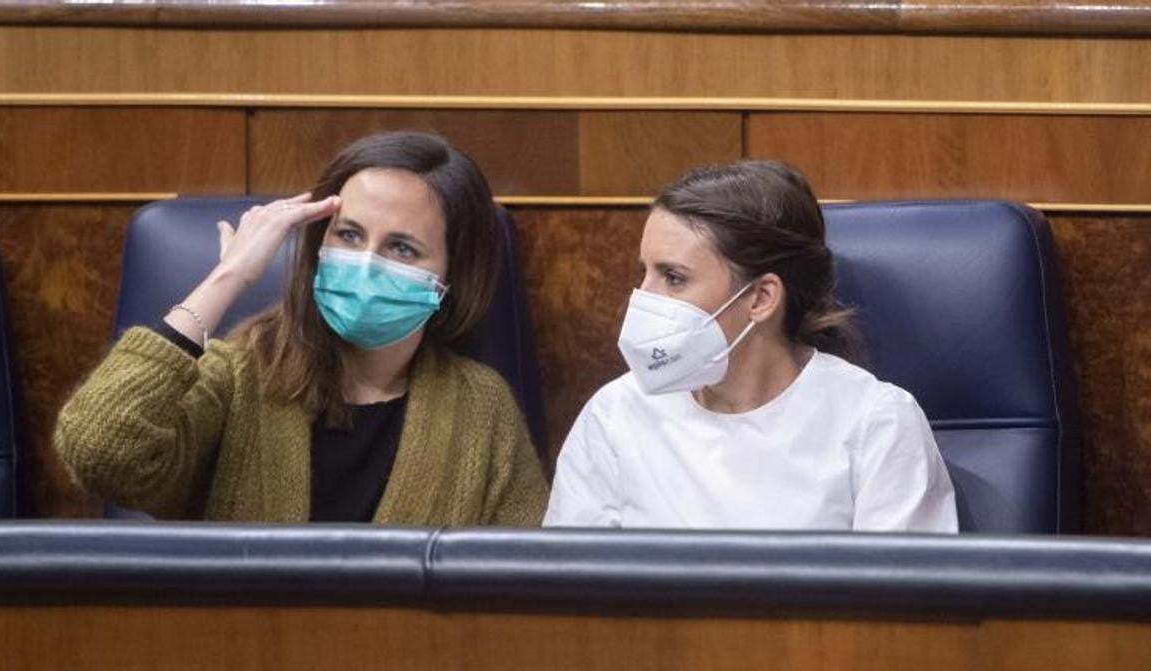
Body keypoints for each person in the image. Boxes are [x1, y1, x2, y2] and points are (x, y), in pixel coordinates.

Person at [56, 131, 548, 524]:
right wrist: (229, 277)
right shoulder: (240, 374)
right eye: (349, 235)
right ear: (317, 244)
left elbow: (520, 591)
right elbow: (99, 448)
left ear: (451, 277)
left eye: (402, 249)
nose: (366, 263)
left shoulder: (482, 410)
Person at [544, 161, 957, 532]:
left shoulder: (876, 422)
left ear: (761, 298)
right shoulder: (615, 414)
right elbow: (567, 600)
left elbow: (904, 606)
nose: (642, 298)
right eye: (645, 272)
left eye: (673, 277)